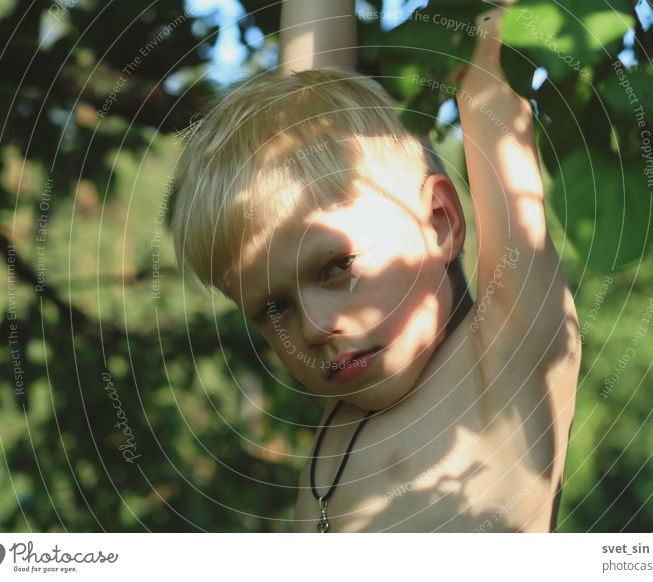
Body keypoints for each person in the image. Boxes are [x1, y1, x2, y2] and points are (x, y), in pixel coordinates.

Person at [171, 0, 581, 532]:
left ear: (439, 221)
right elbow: (303, 100)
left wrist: (482, 31)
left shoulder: (506, 355)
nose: (314, 327)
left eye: (337, 266)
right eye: (273, 306)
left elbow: (491, 80)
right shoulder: (347, 407)